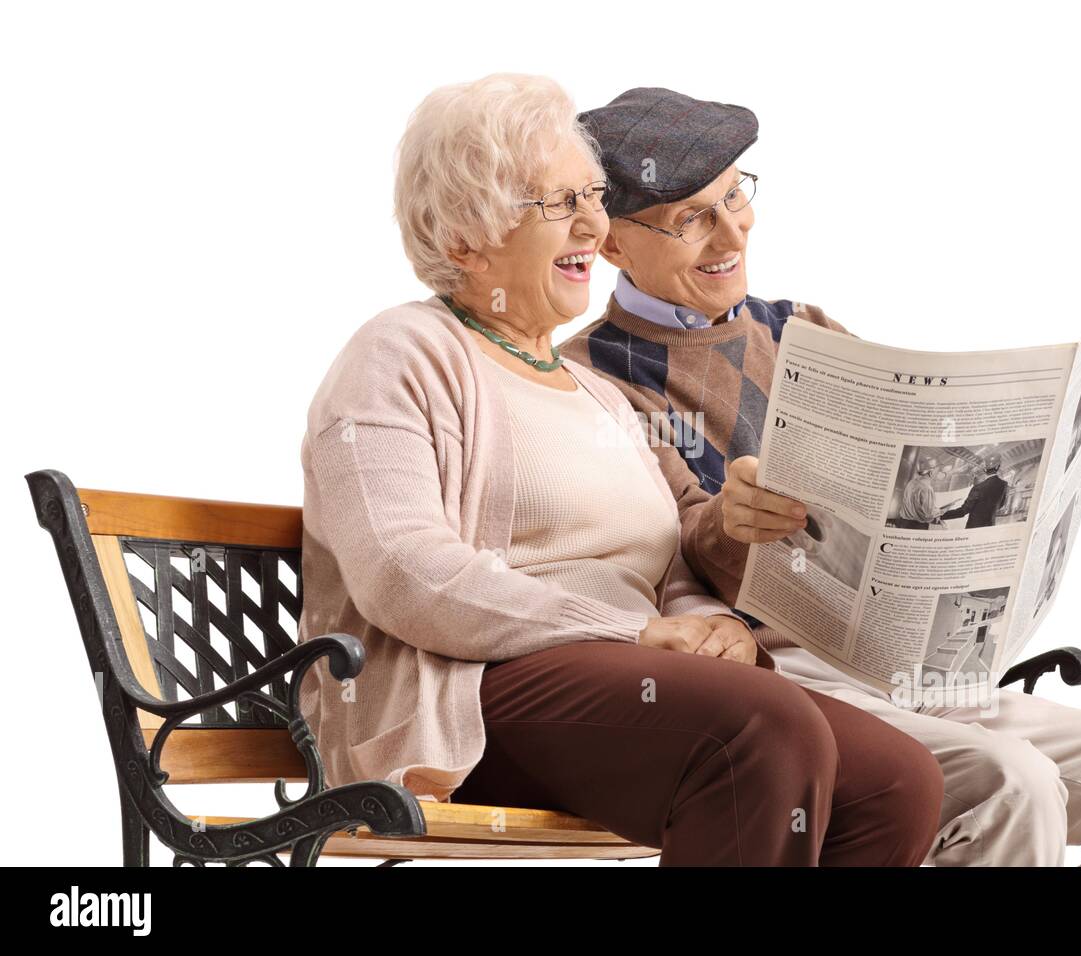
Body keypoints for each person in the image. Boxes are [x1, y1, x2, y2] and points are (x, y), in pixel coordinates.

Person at [560, 86, 1081, 866]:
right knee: (1016, 783)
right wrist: (729, 522)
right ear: (610, 244)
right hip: (786, 674)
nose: (731, 231)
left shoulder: (799, 328)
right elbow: (665, 555)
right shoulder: (592, 378)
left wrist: (1079, 441)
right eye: (690, 217)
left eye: (736, 195)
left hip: (917, 664)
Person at [296, 74, 943, 866]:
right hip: (473, 690)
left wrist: (715, 631)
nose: (592, 225)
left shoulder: (596, 391)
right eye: (556, 203)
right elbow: (403, 570)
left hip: (625, 681)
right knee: (758, 730)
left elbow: (665, 559)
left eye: (593, 197)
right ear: (462, 236)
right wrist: (632, 633)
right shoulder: (402, 355)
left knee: (897, 780)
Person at [940, 455, 1010, 529]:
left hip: (974, 527)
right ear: (998, 467)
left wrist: (940, 515)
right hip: (990, 526)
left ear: (984, 469)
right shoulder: (1004, 485)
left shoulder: (978, 488)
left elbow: (963, 511)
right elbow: (1001, 505)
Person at [895, 456, 944, 529]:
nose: (938, 473)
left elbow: (915, 506)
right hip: (916, 526)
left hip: (903, 523)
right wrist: (940, 511)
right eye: (938, 470)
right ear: (931, 471)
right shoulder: (927, 488)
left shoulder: (911, 482)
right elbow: (928, 514)